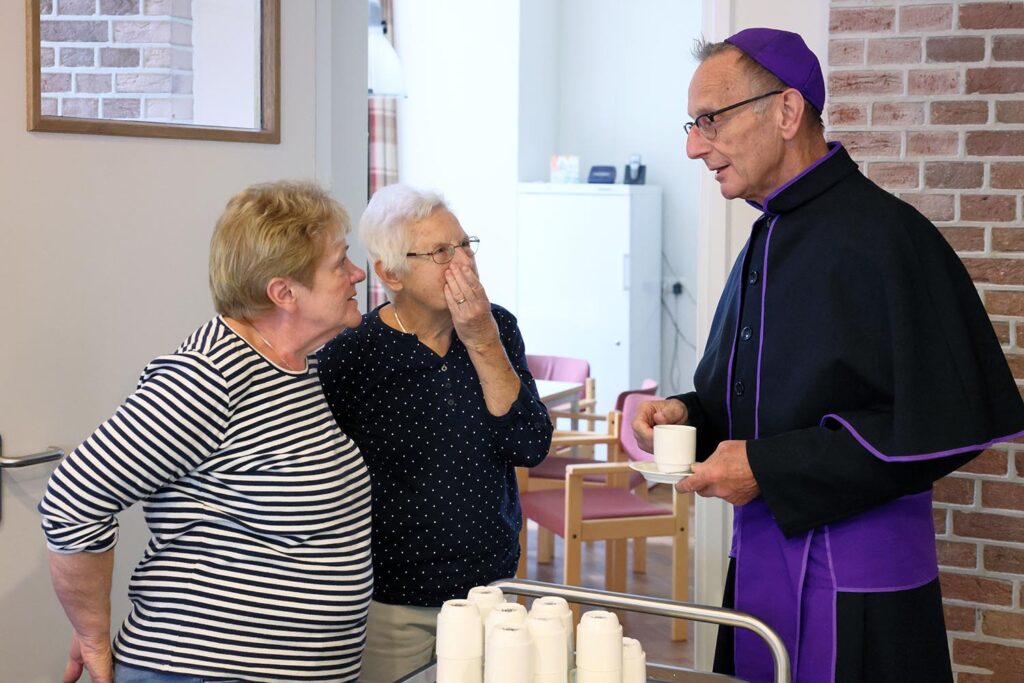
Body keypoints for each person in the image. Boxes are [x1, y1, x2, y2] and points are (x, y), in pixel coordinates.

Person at [633, 28, 1024, 683]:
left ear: (786, 112)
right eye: (691, 123)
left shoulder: (890, 237)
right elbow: (764, 396)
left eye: (710, 120)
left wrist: (766, 464)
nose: (693, 146)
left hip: (860, 590)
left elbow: (946, 424)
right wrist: (685, 413)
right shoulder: (765, 239)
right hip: (761, 562)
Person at [39, 181, 373, 683]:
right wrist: (92, 633)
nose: (357, 273)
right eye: (339, 263)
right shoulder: (209, 375)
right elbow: (72, 499)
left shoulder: (295, 366)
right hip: (199, 670)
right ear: (283, 292)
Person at [316, 183, 552, 683]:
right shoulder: (350, 354)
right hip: (392, 600)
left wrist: (482, 338)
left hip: (493, 589)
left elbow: (530, 445)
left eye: (466, 245)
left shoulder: (498, 327)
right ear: (389, 273)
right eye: (442, 252)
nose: (463, 263)